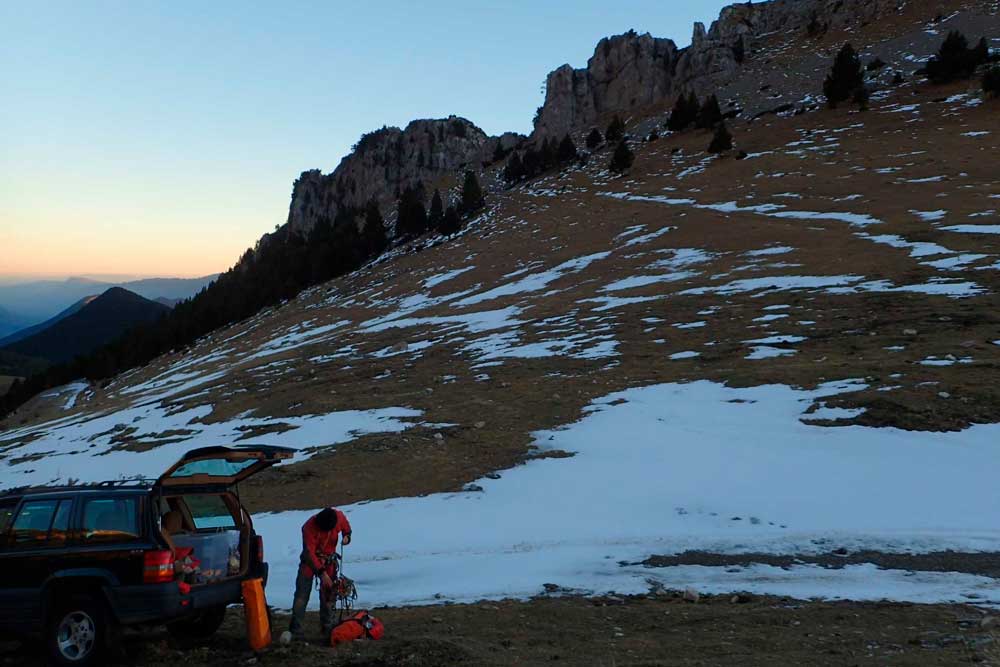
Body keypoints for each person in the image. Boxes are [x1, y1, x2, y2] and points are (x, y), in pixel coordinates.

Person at [288, 507, 352, 639]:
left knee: (329, 595)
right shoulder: (308, 528)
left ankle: (328, 627)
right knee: (301, 595)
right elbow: (309, 553)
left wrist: (347, 536)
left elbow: (346, 526)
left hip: (329, 563)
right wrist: (322, 574)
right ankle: (296, 629)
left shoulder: (337, 516)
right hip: (309, 564)